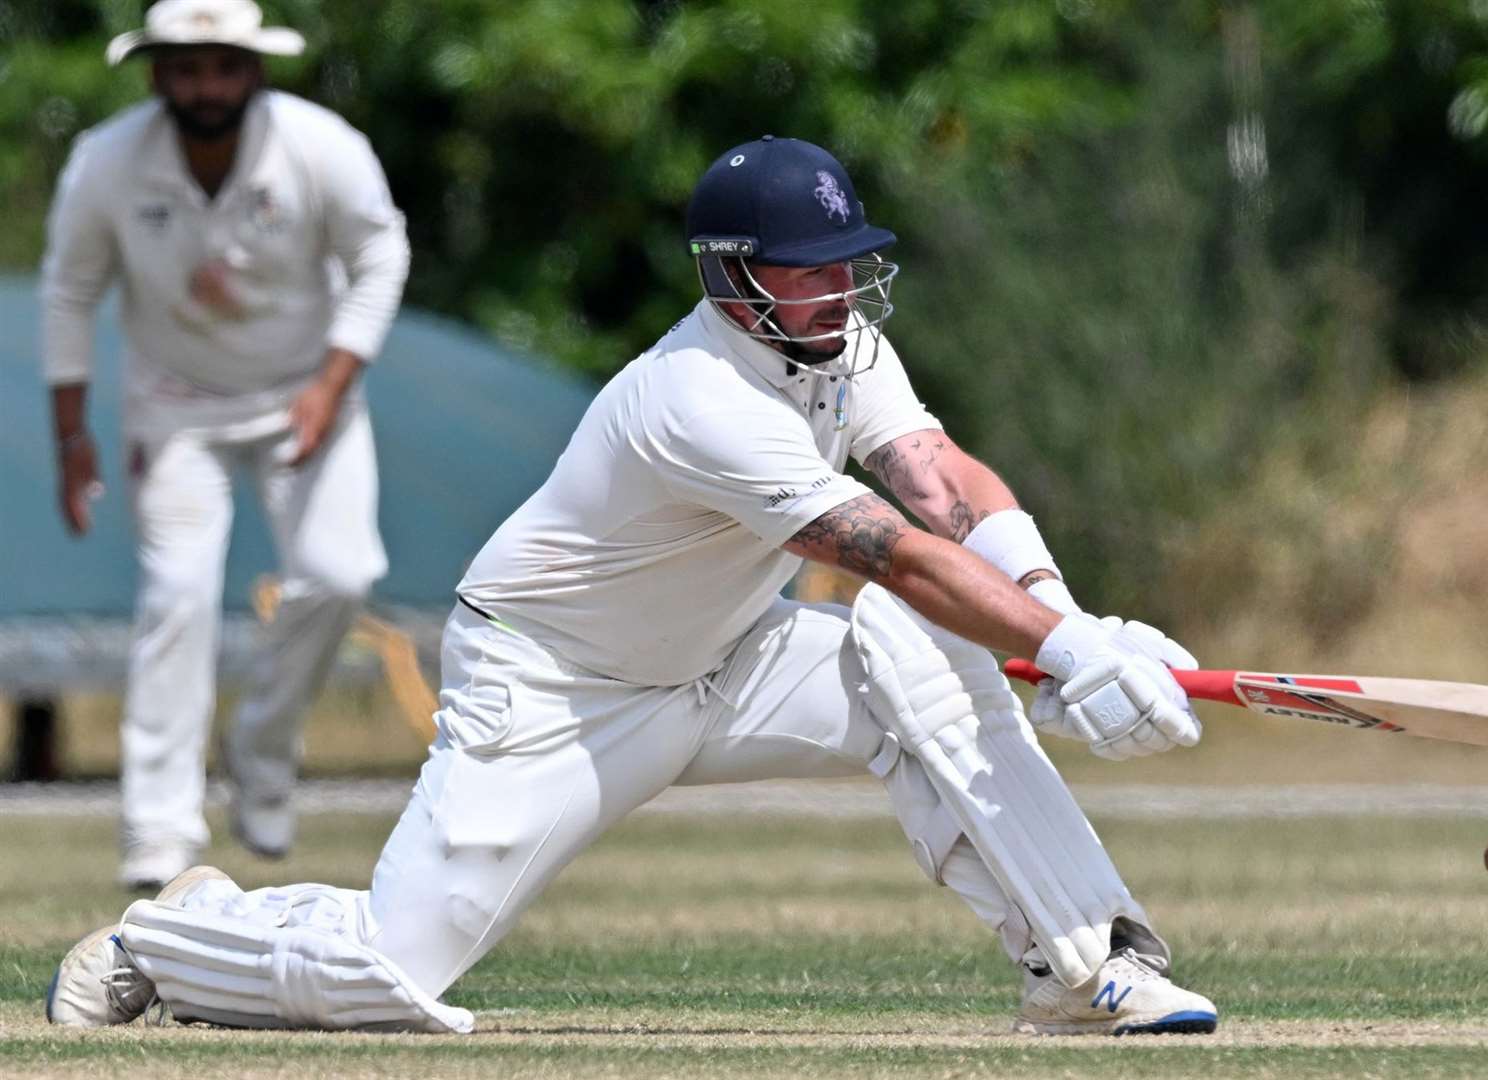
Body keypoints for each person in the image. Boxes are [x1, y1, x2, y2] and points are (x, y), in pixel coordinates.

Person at [46, 136, 1218, 1037]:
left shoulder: (841, 344)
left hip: (729, 657)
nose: (838, 291)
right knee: (392, 975)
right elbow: (890, 549)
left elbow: (938, 480)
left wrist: (1067, 616)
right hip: (555, 687)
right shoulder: (695, 398)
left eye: (847, 264)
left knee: (926, 663)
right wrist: (1068, 657)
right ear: (731, 277)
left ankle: (1082, 968)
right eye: (807, 274)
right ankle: (173, 934)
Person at [39, 0, 410, 888]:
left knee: (342, 575)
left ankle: (260, 752)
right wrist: (71, 439)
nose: (205, 86)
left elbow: (380, 256)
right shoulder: (106, 162)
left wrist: (328, 388)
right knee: (176, 597)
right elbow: (68, 292)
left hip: (302, 397)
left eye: (223, 66)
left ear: (254, 70)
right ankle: (157, 833)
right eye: (186, 67)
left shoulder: (322, 146)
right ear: (156, 72)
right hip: (174, 406)